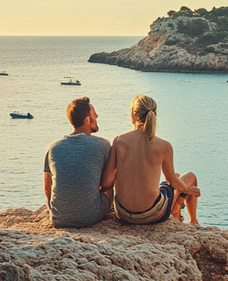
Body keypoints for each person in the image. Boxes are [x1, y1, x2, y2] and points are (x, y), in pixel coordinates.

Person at [101, 95, 201, 225]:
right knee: (189, 177)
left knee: (174, 179)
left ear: (132, 115)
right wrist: (187, 190)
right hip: (152, 214)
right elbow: (172, 181)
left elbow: (106, 182)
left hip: (123, 214)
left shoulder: (119, 141)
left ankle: (177, 207)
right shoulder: (164, 146)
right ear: (155, 114)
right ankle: (193, 221)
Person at [43, 97, 113, 228]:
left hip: (59, 218)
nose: (97, 117)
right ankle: (110, 209)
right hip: (91, 217)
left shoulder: (53, 148)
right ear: (87, 120)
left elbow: (47, 189)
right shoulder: (103, 145)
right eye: (94, 115)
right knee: (109, 182)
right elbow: (107, 183)